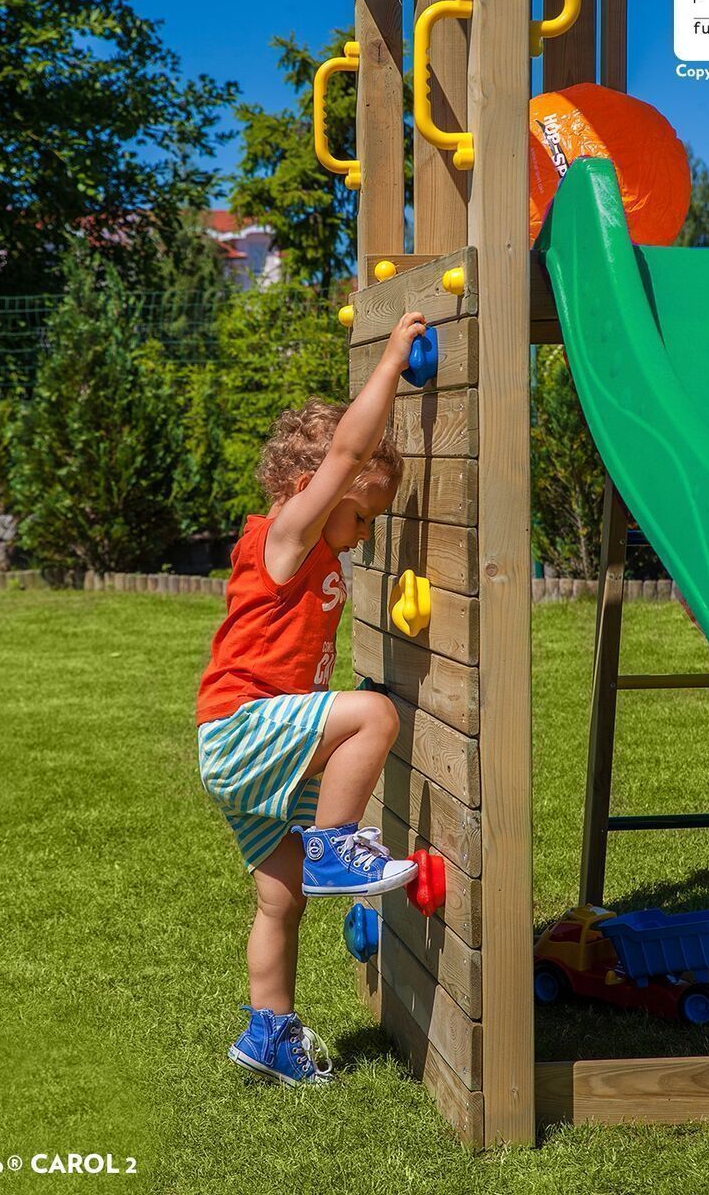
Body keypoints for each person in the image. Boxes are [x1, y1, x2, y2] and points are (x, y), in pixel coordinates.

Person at [195, 310, 427, 1088]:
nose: (363, 532)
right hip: (241, 730)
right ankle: (335, 850)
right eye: (361, 512)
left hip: (244, 755)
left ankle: (269, 1033)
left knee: (278, 899)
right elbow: (351, 449)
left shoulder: (317, 544)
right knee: (377, 714)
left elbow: (355, 464)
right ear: (310, 489)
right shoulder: (286, 536)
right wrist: (393, 360)